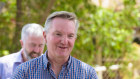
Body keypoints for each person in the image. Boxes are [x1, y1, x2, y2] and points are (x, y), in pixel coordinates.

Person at [12, 11, 98, 79]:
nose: (64, 41)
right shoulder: (23, 73)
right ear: (45, 36)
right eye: (58, 34)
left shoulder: (88, 74)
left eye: (70, 36)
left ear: (74, 39)